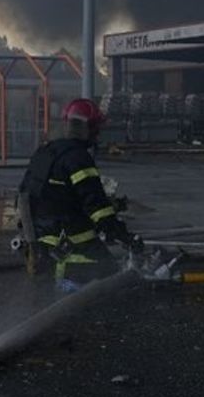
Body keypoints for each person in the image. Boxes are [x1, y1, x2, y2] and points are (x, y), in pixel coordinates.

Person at [19, 98, 141, 286]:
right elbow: (97, 207)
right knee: (116, 282)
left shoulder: (44, 153)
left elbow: (26, 197)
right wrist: (124, 236)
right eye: (96, 129)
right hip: (74, 251)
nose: (97, 135)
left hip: (41, 251)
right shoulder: (78, 158)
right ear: (90, 129)